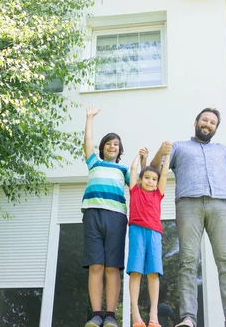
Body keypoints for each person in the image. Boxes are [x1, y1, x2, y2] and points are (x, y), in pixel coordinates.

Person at [150, 108, 226, 327]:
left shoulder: (223, 150)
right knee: (188, 261)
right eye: (204, 120)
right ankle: (188, 318)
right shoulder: (179, 147)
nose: (207, 124)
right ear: (196, 122)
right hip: (188, 204)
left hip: (220, 204)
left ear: (215, 128)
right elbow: (155, 168)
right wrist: (160, 150)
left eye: (212, 122)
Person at [83, 106, 139, 327]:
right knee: (96, 265)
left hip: (116, 217)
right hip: (92, 215)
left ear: (120, 149)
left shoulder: (124, 170)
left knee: (112, 267)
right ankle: (96, 314)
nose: (112, 146)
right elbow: (87, 142)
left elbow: (137, 186)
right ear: (103, 148)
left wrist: (141, 162)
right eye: (108, 143)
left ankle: (110, 315)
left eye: (116, 144)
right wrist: (89, 119)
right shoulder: (93, 163)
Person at [127, 146, 171, 327]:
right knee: (136, 271)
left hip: (154, 233)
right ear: (140, 180)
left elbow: (165, 174)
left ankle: (154, 313)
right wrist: (138, 155)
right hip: (137, 231)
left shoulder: (158, 194)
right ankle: (135, 312)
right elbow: (133, 169)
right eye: (147, 178)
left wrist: (167, 155)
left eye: (154, 179)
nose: (151, 181)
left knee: (153, 272)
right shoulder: (134, 191)